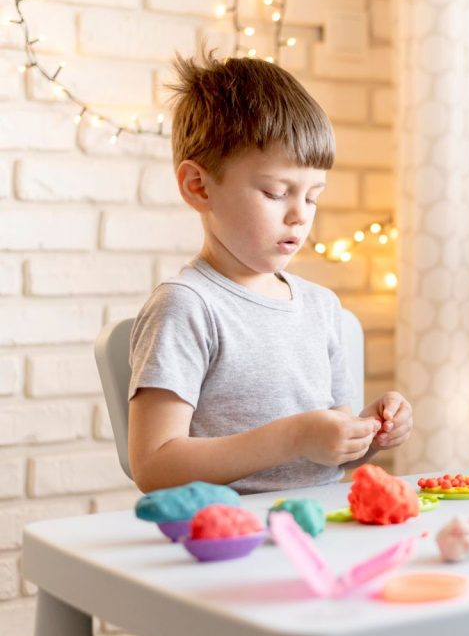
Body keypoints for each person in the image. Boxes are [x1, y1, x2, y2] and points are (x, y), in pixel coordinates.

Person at [127, 49, 412, 494]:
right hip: (226, 535)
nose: (300, 215)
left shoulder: (321, 306)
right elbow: (154, 466)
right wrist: (293, 437)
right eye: (277, 192)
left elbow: (327, 450)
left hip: (324, 522)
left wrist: (367, 433)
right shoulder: (188, 307)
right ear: (198, 187)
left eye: (313, 196)